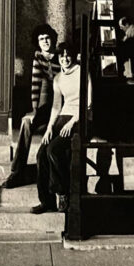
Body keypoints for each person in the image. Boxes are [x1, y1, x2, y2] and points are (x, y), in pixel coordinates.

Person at [32, 41, 92, 214]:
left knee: (54, 150)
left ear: (73, 56)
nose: (65, 58)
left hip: (79, 118)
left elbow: (88, 103)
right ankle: (46, 201)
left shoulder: (83, 72)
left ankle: (63, 192)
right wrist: (50, 128)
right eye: (62, 55)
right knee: (41, 153)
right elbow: (56, 107)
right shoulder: (58, 78)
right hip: (62, 117)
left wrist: (73, 121)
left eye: (68, 55)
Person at [2, 24, 59, 188]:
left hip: (62, 106)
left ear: (53, 39)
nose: (45, 42)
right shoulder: (39, 58)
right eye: (41, 39)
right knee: (26, 122)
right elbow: (35, 85)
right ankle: (17, 172)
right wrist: (34, 110)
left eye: (47, 38)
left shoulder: (62, 55)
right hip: (46, 106)